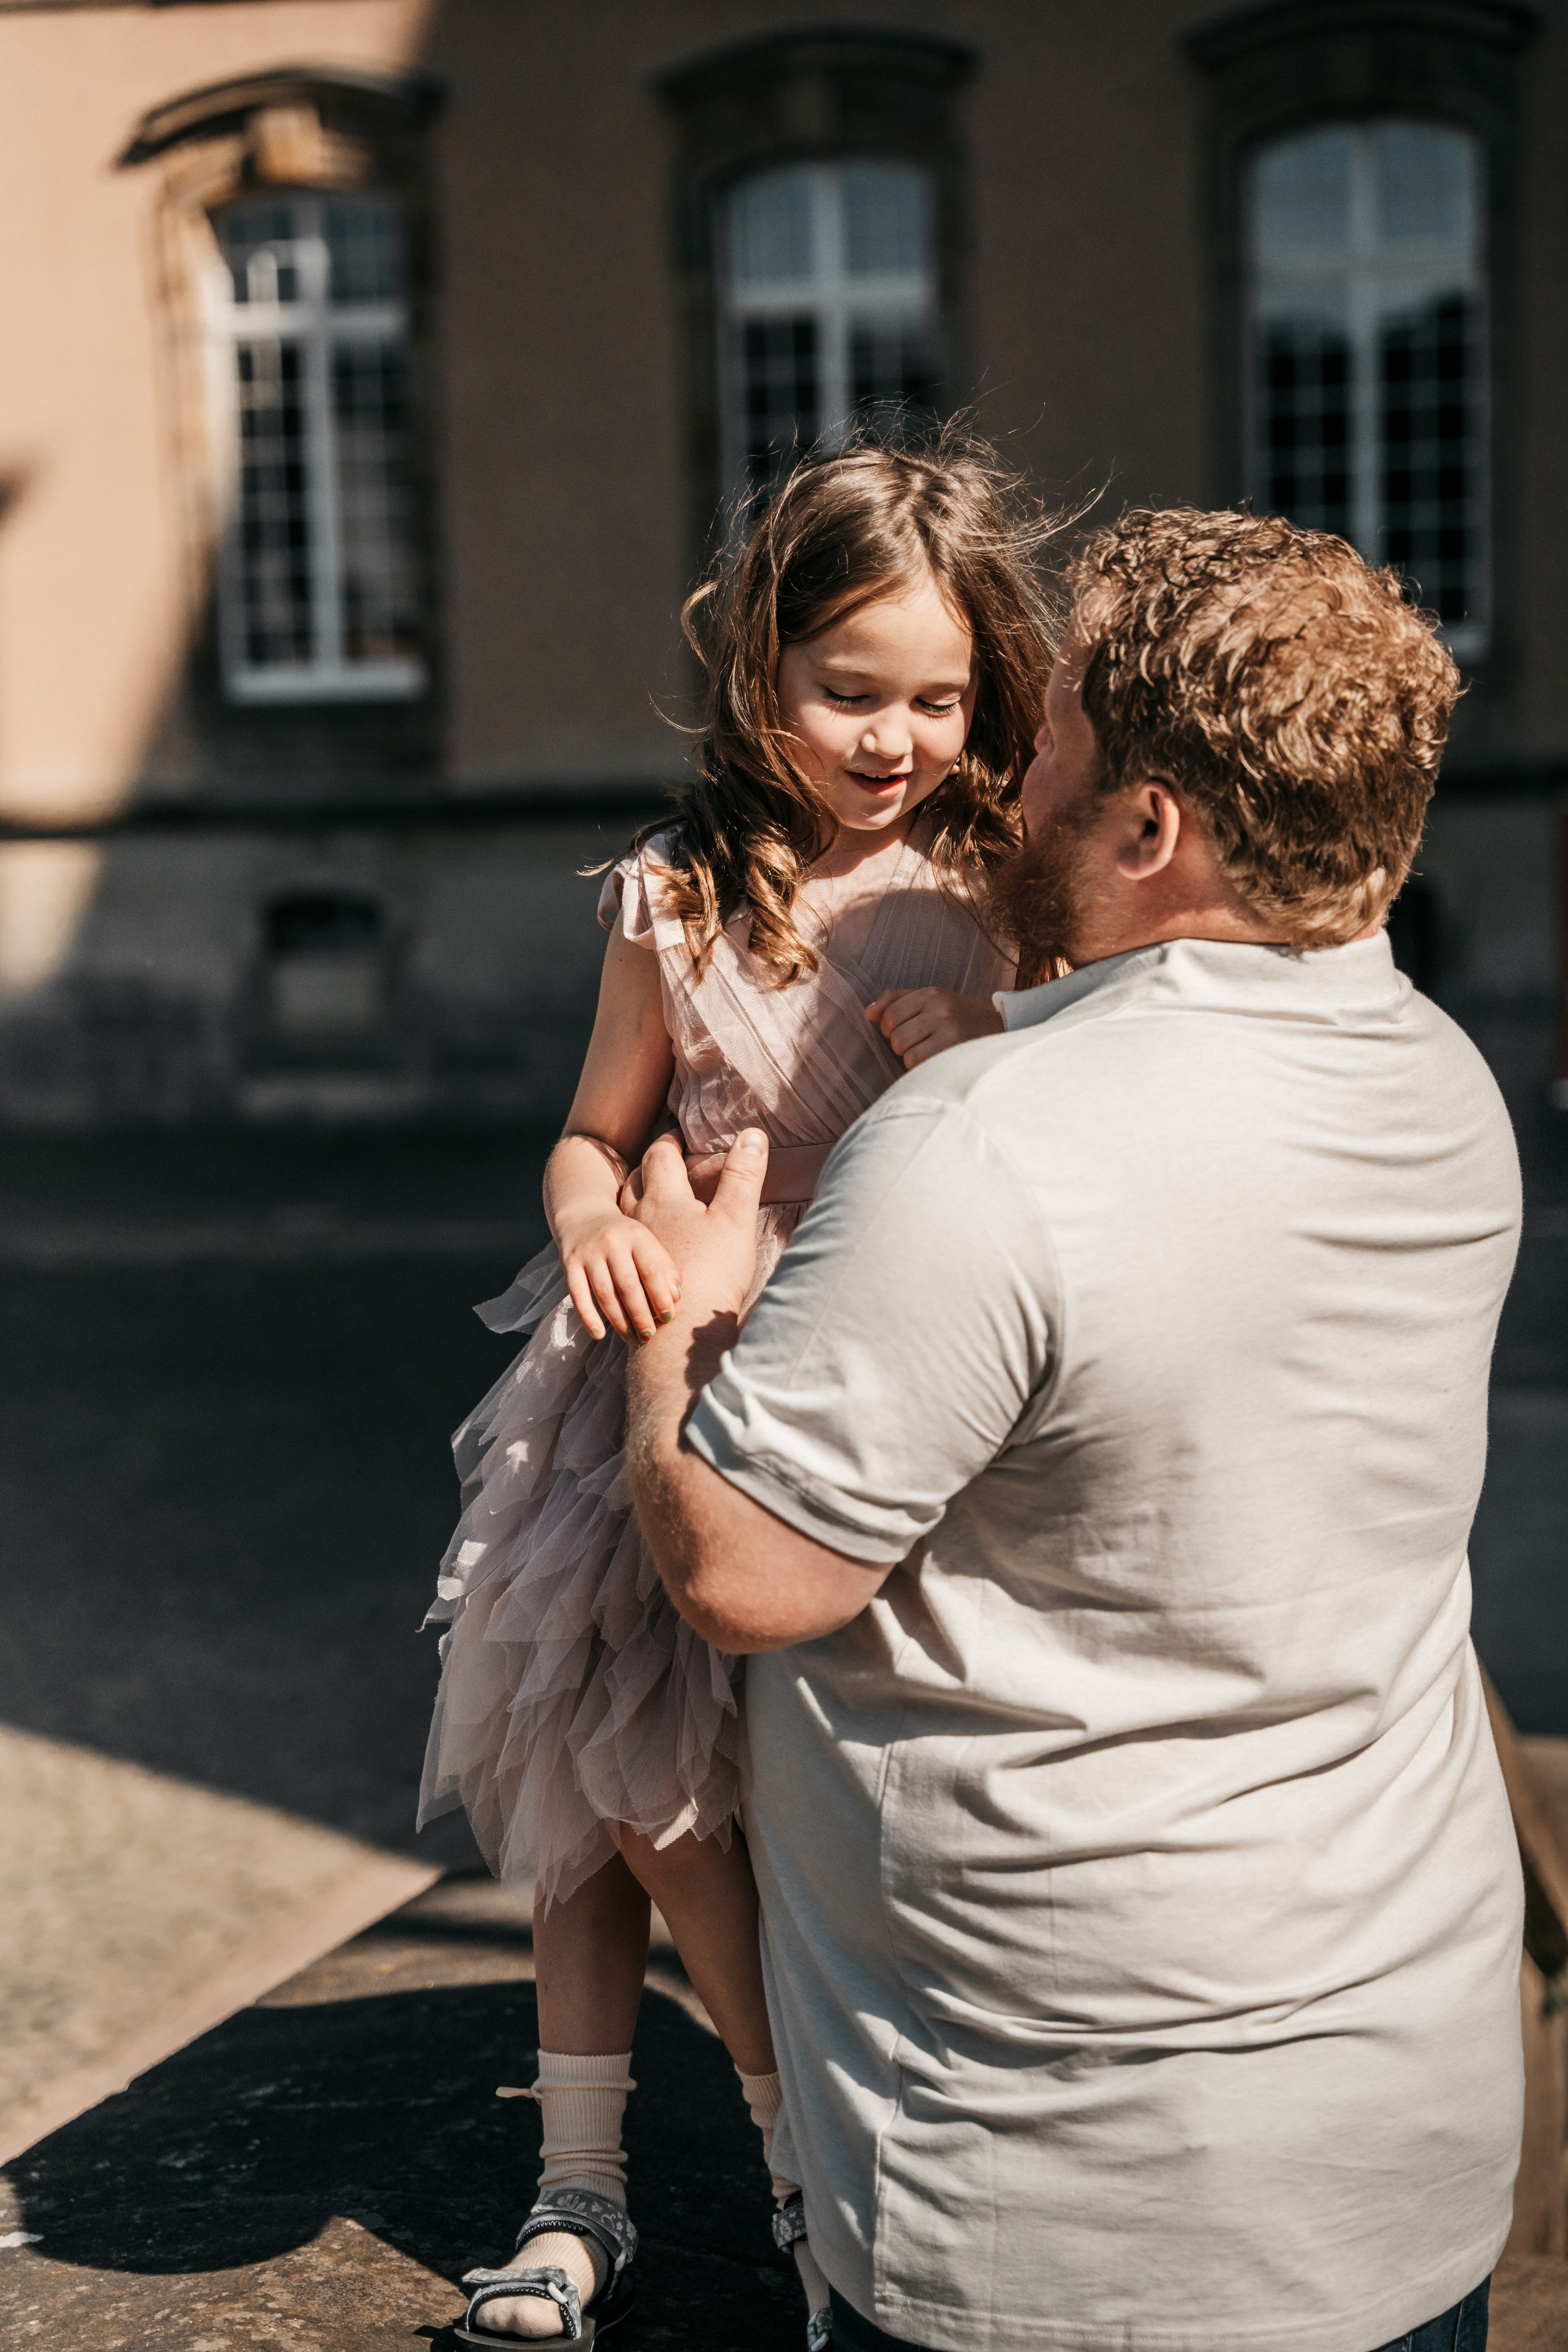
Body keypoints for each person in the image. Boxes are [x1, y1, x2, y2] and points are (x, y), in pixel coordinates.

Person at [623, 507, 1524, 2352]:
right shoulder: (1446, 1082)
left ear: (1148, 830)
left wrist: (687, 1304)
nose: (1003, 782)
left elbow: (739, 1566)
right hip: (1404, 2159)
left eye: (1052, 749)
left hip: (1067, 2204)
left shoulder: (989, 1143)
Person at [418, 436, 1059, 2345]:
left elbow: (1077, 1103)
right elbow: (588, 1135)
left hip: (869, 1371)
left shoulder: (998, 874)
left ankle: (807, 2173)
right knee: (602, 1781)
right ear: (757, 669)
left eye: (936, 698)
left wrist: (996, 1034)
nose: (891, 738)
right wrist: (597, 1218)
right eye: (847, 692)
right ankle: (589, 2184)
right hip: (664, 1367)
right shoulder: (679, 896)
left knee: (793, 1788)